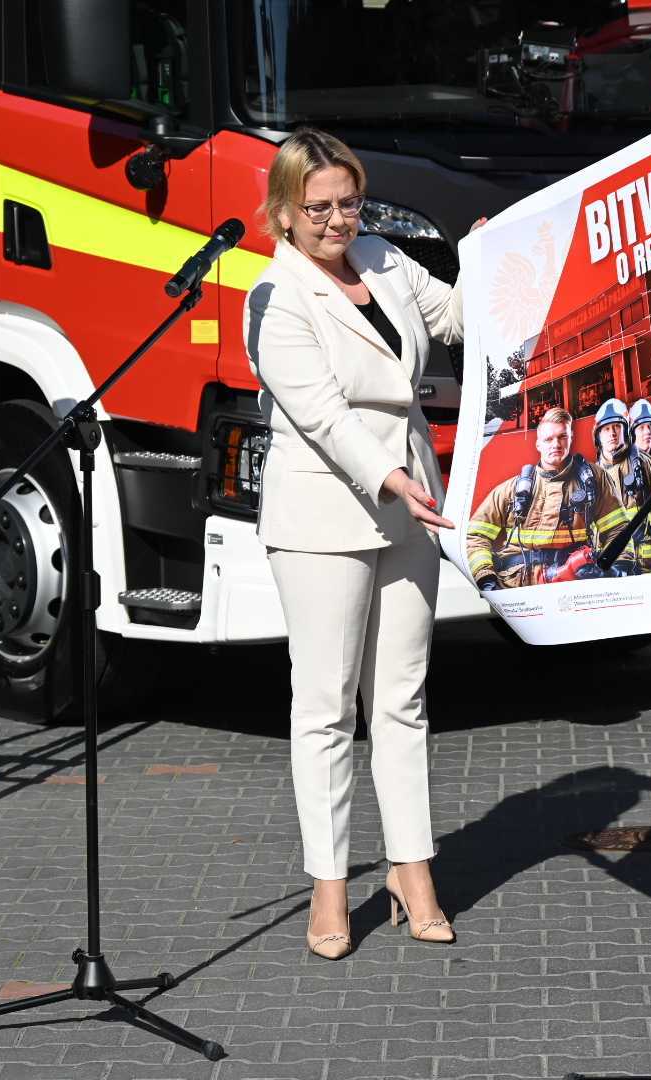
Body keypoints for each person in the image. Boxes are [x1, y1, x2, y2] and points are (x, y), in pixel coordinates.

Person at [245, 128, 469, 959]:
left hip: (410, 505)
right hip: (325, 514)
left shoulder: (382, 258)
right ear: (284, 211)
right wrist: (390, 477)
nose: (339, 221)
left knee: (402, 701)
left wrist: (490, 258)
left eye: (350, 202)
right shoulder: (275, 296)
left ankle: (413, 871)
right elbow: (323, 417)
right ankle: (330, 887)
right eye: (320, 208)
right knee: (326, 709)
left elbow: (455, 318)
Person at [465, 407, 635, 588]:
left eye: (562, 437)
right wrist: (486, 579)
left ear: (571, 438)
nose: (556, 444)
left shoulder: (595, 479)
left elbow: (618, 529)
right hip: (517, 585)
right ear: (538, 444)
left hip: (575, 582)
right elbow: (475, 536)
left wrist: (618, 567)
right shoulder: (512, 489)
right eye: (548, 439)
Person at [593, 398, 651, 573]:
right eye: (606, 429)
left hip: (649, 564)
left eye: (617, 427)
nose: (612, 433)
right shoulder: (593, 476)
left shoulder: (642, 462)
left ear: (625, 430)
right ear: (598, 436)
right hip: (616, 568)